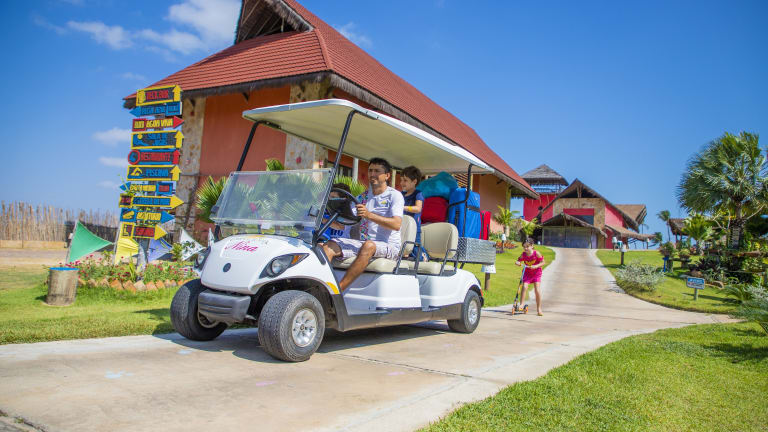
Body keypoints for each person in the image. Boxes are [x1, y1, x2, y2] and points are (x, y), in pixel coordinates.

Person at [321, 158, 404, 291]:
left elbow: (396, 224)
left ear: (387, 175)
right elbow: (344, 225)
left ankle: (337, 292)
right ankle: (321, 287)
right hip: (364, 243)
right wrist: (322, 219)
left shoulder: (394, 196)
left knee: (368, 245)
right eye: (370, 170)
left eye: (377, 171)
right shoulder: (363, 197)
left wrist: (369, 215)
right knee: (328, 245)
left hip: (389, 246)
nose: (372, 174)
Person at [399, 166, 426, 260]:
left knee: (415, 247)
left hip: (414, 228)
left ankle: (424, 257)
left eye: (405, 180)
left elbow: (418, 208)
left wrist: (403, 207)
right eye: (401, 180)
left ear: (414, 181)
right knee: (403, 247)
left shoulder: (418, 194)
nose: (402, 183)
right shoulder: (401, 194)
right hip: (402, 226)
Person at [515, 237, 545, 316]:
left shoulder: (536, 253)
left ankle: (539, 309)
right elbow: (518, 260)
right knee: (524, 287)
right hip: (527, 273)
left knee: (537, 290)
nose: (525, 248)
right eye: (524, 247)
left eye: (527, 246)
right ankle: (521, 304)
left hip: (536, 273)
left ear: (532, 246)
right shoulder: (523, 254)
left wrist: (536, 266)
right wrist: (517, 262)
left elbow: (543, 262)